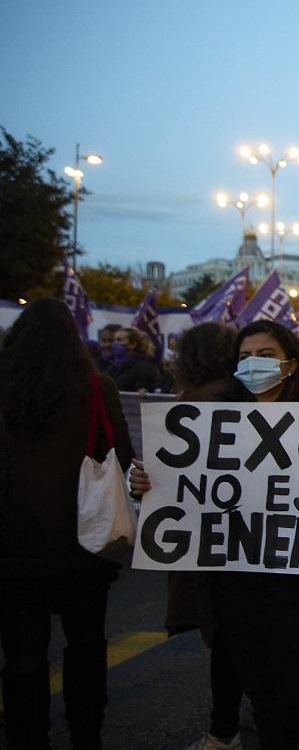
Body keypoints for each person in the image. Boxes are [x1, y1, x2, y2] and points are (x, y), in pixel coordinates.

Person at [132, 320, 299, 750]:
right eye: (244, 357)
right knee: (263, 698)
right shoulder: (210, 419)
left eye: (264, 355)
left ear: (291, 362)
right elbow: (183, 490)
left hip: (296, 582)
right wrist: (148, 486)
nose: (253, 364)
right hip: (234, 582)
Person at [0, 298, 135, 750]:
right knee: (86, 646)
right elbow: (121, 454)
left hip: (12, 547)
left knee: (22, 658)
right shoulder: (99, 388)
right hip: (85, 541)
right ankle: (86, 736)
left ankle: (26, 739)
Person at [162, 322, 246, 750]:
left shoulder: (193, 401)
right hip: (248, 537)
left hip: (211, 540)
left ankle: (223, 730)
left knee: (227, 640)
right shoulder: (243, 394)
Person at [109, 326, 162, 392]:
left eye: (119, 340)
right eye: (114, 340)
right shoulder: (113, 367)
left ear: (133, 344)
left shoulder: (144, 367)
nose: (115, 343)